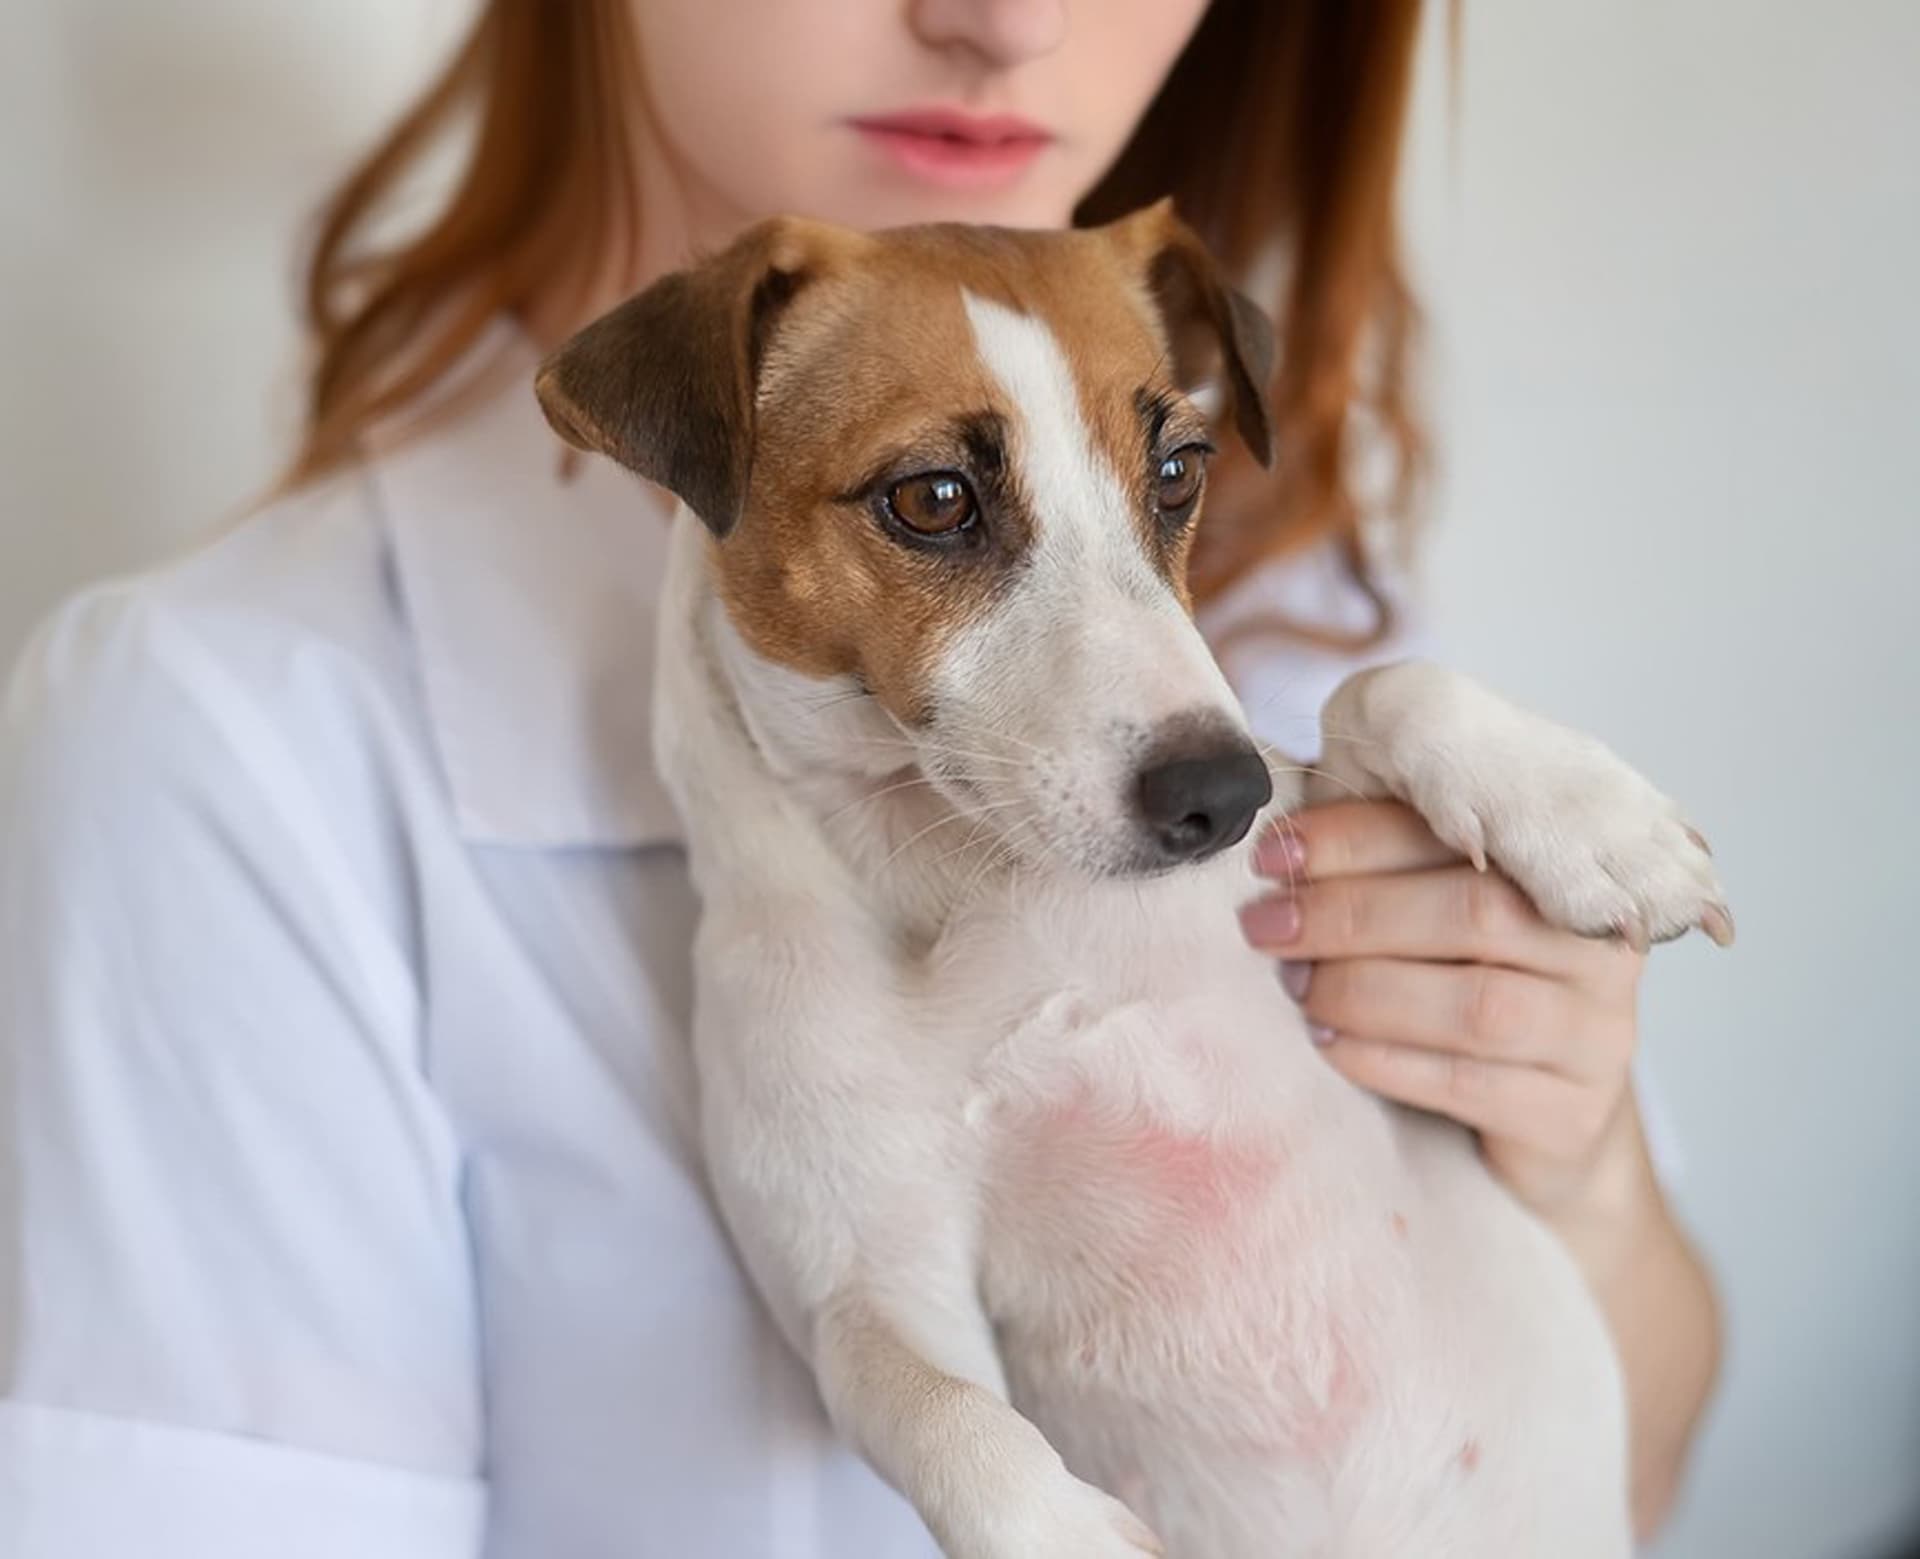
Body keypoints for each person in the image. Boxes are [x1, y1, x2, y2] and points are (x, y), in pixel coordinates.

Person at [0, 2, 1720, 1554]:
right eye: (934, 507)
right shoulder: (206, 745)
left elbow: (1620, 1482)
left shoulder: (1312, 618)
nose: (1003, 19)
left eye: (1169, 475)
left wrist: (1585, 1176)